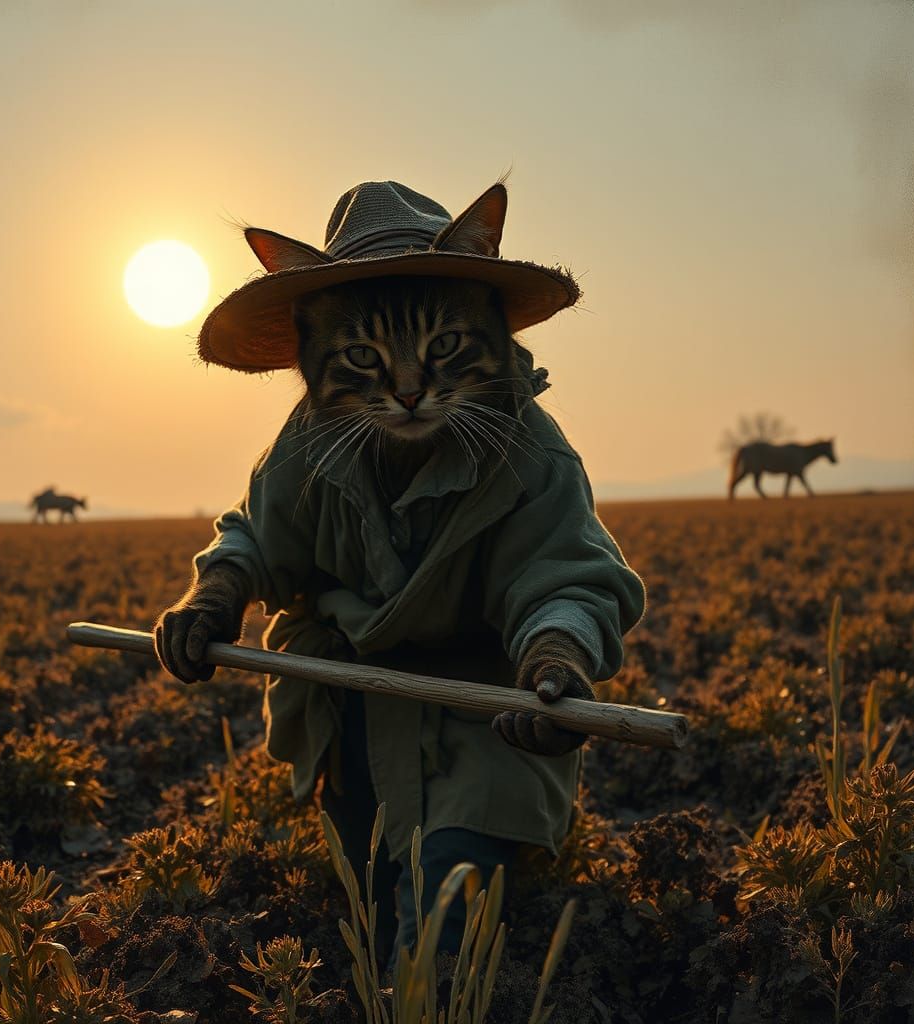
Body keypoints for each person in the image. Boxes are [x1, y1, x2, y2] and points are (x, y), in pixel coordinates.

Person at [154, 179, 646, 965]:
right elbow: (256, 536)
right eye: (363, 360)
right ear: (315, 350)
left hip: (482, 707)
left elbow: (568, 579)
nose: (410, 389)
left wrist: (553, 661)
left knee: (450, 902)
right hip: (349, 703)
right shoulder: (311, 441)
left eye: (444, 349)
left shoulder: (531, 453)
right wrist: (215, 596)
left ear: (489, 329)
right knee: (370, 905)